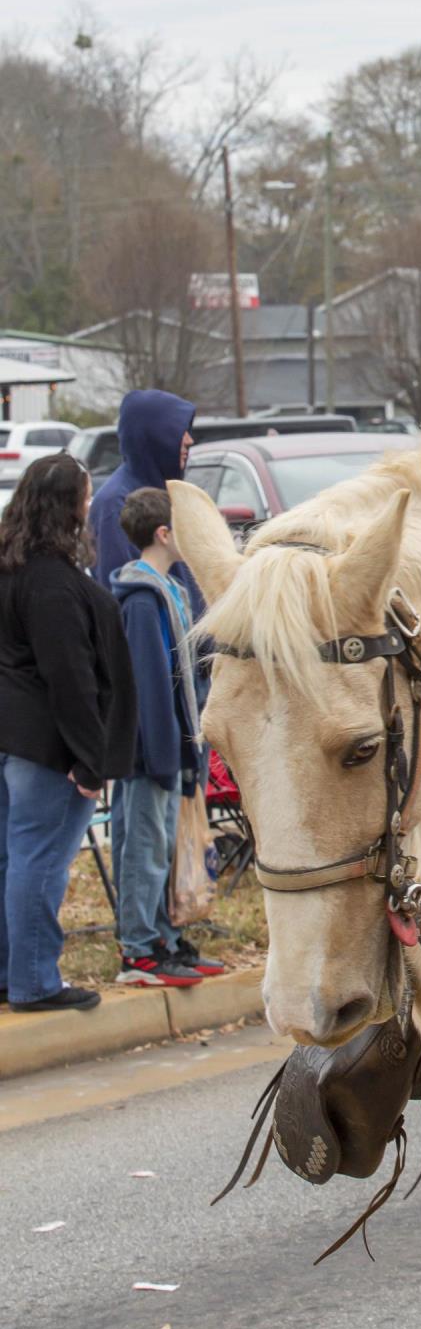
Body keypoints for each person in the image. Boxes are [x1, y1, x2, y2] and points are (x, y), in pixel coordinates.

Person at [0, 453, 138, 1012]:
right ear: (68, 506)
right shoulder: (52, 582)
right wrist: (90, 759)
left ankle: (12, 974)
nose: (89, 505)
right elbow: (70, 677)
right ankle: (35, 981)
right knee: (38, 861)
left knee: (11, 860)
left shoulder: (10, 568)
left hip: (12, 740)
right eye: (85, 496)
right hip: (48, 747)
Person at [111, 488, 222, 987]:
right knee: (146, 847)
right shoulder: (141, 598)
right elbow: (149, 685)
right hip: (151, 753)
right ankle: (139, 947)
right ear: (164, 533)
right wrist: (165, 752)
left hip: (176, 748)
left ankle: (167, 937)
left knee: (169, 848)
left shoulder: (172, 590)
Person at [90, 389, 197, 596]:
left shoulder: (169, 491)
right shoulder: (116, 503)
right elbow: (122, 600)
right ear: (155, 436)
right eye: (178, 431)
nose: (189, 440)